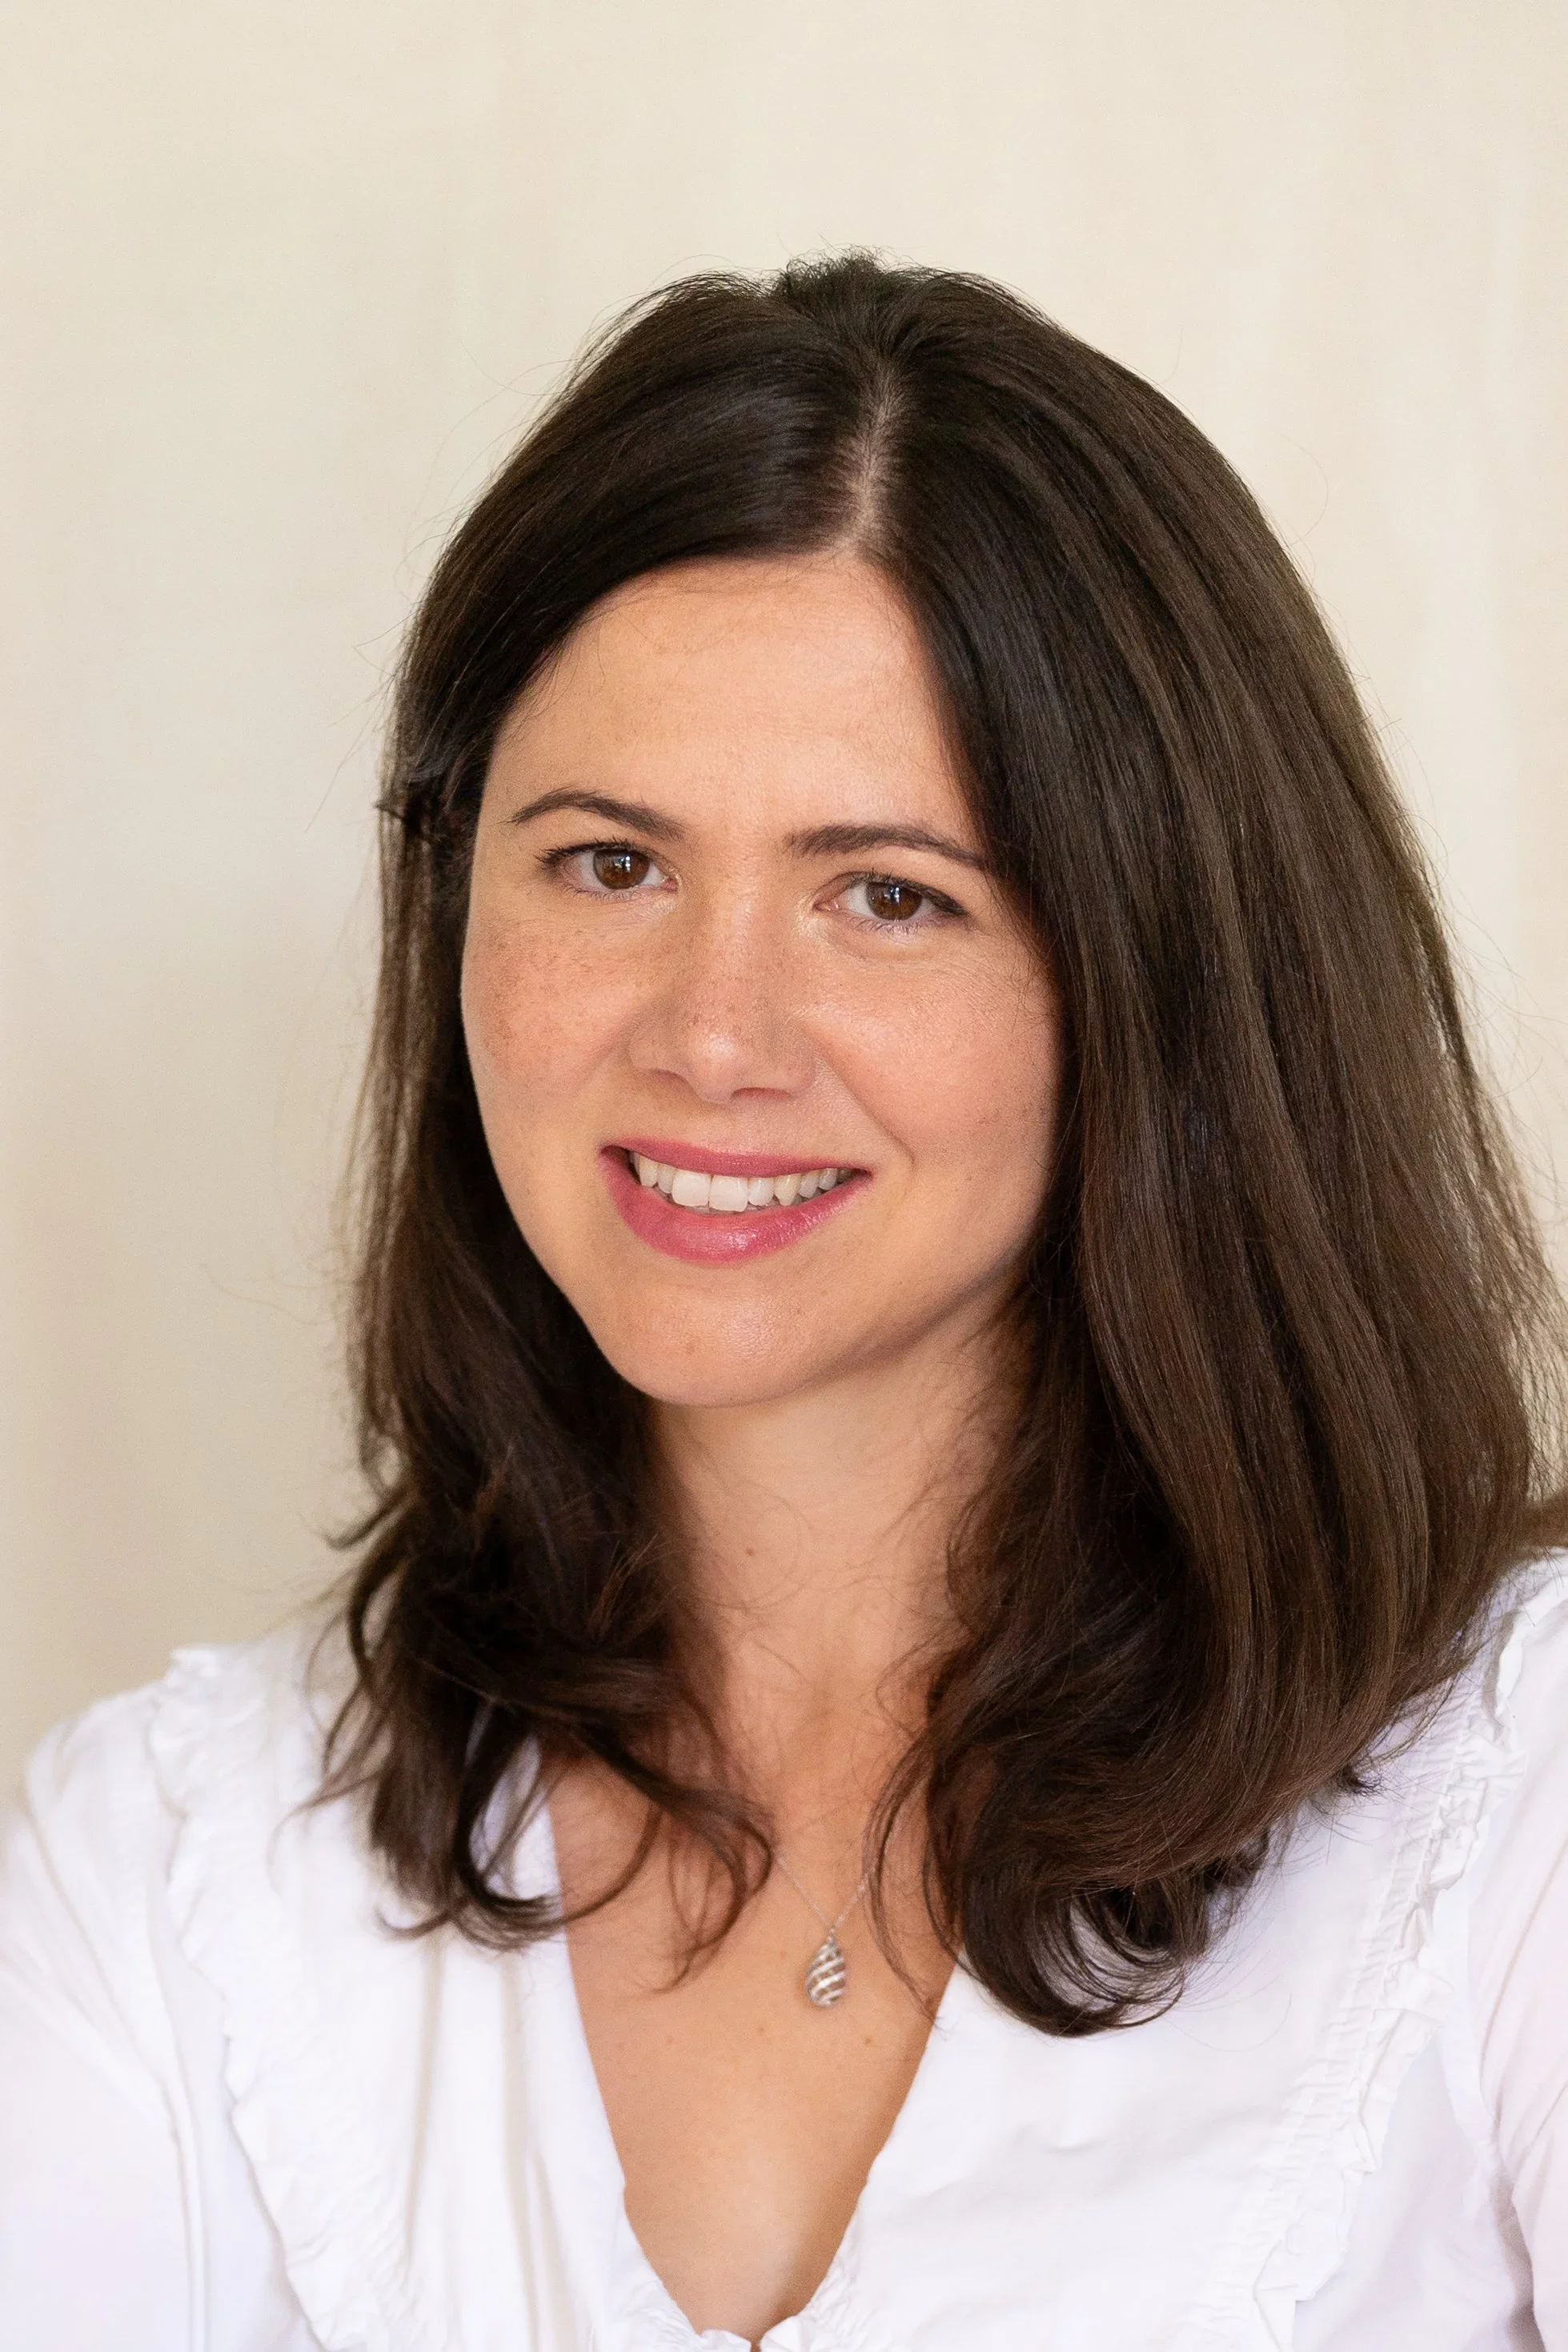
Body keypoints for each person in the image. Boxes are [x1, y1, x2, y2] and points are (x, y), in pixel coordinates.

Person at [2, 253, 1566, 2352]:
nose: (710, 1034)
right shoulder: (170, 1867)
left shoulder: (1516, 1795)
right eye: (609, 864)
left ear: (1165, 981)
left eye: (887, 895)